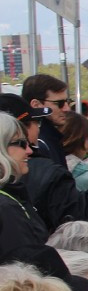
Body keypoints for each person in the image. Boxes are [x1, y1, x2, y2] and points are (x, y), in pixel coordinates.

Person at [0, 94, 88, 235]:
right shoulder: (44, 173)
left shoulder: (39, 166)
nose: (28, 150)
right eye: (37, 122)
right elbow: (85, 217)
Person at [0, 112, 49, 263]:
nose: (29, 150)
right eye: (21, 143)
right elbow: (25, 270)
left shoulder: (9, 198)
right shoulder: (6, 207)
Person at [21, 73, 71, 167]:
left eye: (67, 102)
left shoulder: (51, 137)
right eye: (59, 103)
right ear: (36, 105)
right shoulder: (39, 144)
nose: (66, 108)